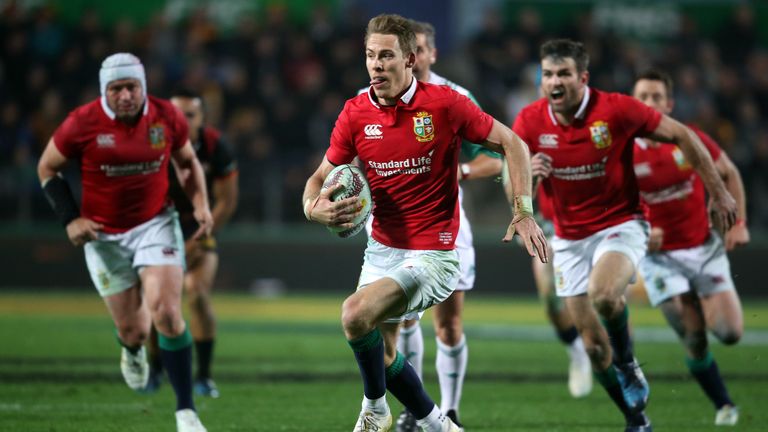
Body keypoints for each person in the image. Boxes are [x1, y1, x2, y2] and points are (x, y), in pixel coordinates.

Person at [302, 14, 548, 432]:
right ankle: (439, 424)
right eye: (369, 56)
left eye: (385, 56)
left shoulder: (446, 104)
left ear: (410, 60)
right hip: (381, 248)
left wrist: (522, 210)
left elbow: (513, 144)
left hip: (433, 251)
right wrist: (312, 207)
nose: (376, 65)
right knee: (380, 350)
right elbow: (320, 177)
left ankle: (375, 409)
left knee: (353, 315)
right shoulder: (355, 113)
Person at [510, 39, 737, 432]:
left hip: (621, 224)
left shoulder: (615, 109)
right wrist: (529, 185)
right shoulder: (529, 122)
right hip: (568, 239)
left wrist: (717, 190)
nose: (554, 82)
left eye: (563, 74)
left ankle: (629, 361)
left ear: (582, 78)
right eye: (547, 74)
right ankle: (636, 419)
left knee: (603, 293)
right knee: (595, 348)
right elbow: (511, 182)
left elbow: (684, 134)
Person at [37, 53, 211, 432]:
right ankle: (132, 349)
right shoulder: (81, 123)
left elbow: (186, 162)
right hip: (103, 234)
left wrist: (200, 204)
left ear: (143, 87)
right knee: (134, 329)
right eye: (117, 89)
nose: (126, 95)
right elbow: (47, 168)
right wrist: (71, 218)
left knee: (166, 312)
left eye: (132, 86)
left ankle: (186, 411)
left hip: (156, 223)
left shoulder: (166, 116)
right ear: (105, 92)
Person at [358, 20, 504, 432]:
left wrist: (464, 170)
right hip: (393, 232)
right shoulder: (365, 101)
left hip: (446, 227)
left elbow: (499, 155)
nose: (415, 57)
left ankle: (450, 409)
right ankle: (413, 410)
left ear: (429, 54)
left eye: (421, 50)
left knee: (449, 322)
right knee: (399, 322)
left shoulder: (453, 98)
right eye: (377, 55)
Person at [631, 69, 748, 426]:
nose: (649, 103)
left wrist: (738, 223)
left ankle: (705, 305)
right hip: (659, 260)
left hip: (703, 248)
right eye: (642, 97)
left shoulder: (688, 139)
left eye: (656, 97)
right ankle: (724, 405)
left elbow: (729, 172)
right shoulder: (621, 151)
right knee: (695, 336)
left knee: (730, 333)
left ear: (669, 104)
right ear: (632, 103)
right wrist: (640, 232)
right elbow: (606, 206)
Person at [144, 88, 239, 398]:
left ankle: (204, 376)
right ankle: (155, 369)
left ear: (202, 119)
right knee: (158, 301)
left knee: (197, 294)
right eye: (176, 115)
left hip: (201, 224)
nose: (182, 122)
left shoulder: (215, 146)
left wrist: (203, 237)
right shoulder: (152, 143)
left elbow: (227, 201)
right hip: (160, 223)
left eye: (190, 115)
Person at [503, 168, 593, 399]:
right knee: (551, 299)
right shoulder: (525, 136)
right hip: (553, 225)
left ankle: (625, 362)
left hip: (596, 220)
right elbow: (509, 183)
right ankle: (578, 353)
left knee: (607, 297)